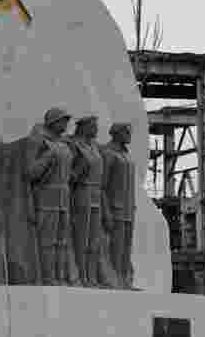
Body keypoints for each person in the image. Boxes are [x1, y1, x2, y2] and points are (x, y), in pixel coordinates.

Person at [26, 108, 79, 285]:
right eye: (63, 120)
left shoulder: (64, 144)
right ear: (53, 122)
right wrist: (48, 157)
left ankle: (59, 276)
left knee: (62, 242)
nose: (66, 124)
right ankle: (48, 277)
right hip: (47, 197)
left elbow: (67, 174)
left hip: (63, 198)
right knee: (47, 241)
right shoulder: (41, 142)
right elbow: (31, 172)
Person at [68, 116, 108, 287]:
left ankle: (91, 277)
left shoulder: (94, 147)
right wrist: (78, 172)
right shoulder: (73, 145)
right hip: (82, 191)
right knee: (81, 237)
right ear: (84, 127)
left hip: (96, 192)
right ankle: (81, 276)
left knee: (94, 239)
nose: (96, 130)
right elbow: (66, 173)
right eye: (93, 126)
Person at [101, 122, 136, 288]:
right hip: (115, 209)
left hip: (129, 209)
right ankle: (115, 280)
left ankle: (125, 281)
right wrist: (106, 211)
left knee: (126, 248)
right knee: (115, 248)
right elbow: (102, 185)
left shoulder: (126, 154)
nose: (130, 134)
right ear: (116, 133)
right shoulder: (108, 153)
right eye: (126, 131)